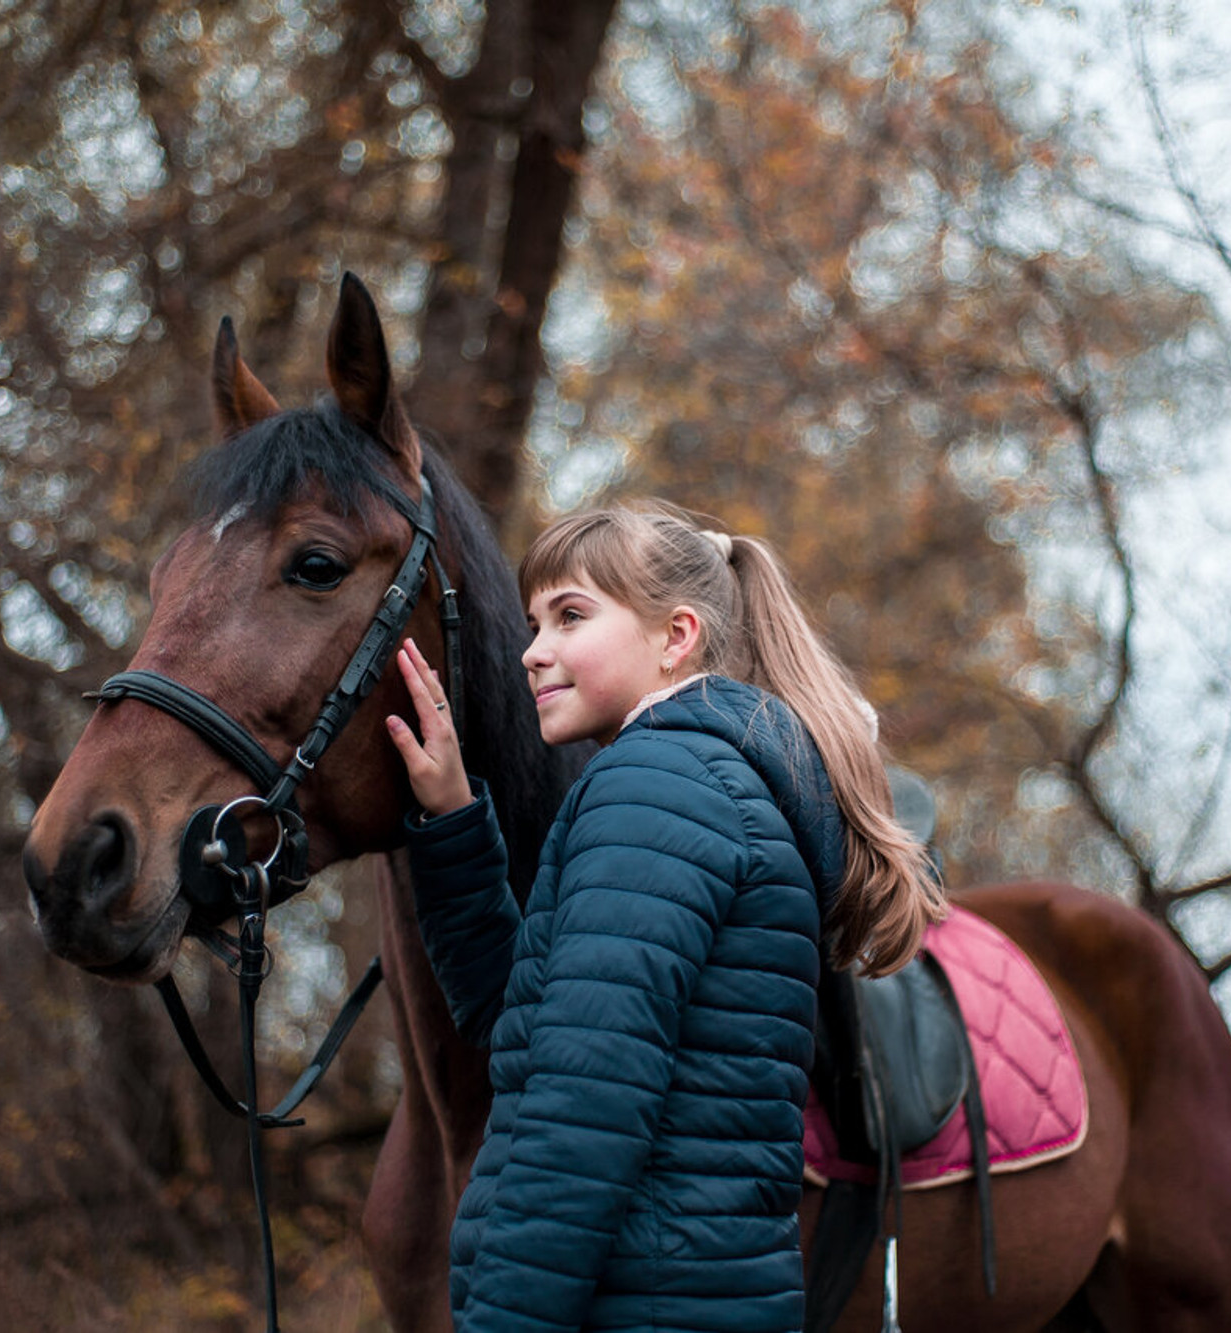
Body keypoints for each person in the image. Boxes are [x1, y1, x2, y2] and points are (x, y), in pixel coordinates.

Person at [383, 504, 943, 1333]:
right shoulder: (704, 783)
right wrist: (457, 822)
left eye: (571, 615)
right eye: (535, 622)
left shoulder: (655, 788)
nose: (533, 650)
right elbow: (527, 1025)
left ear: (676, 636)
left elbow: (582, 1110)